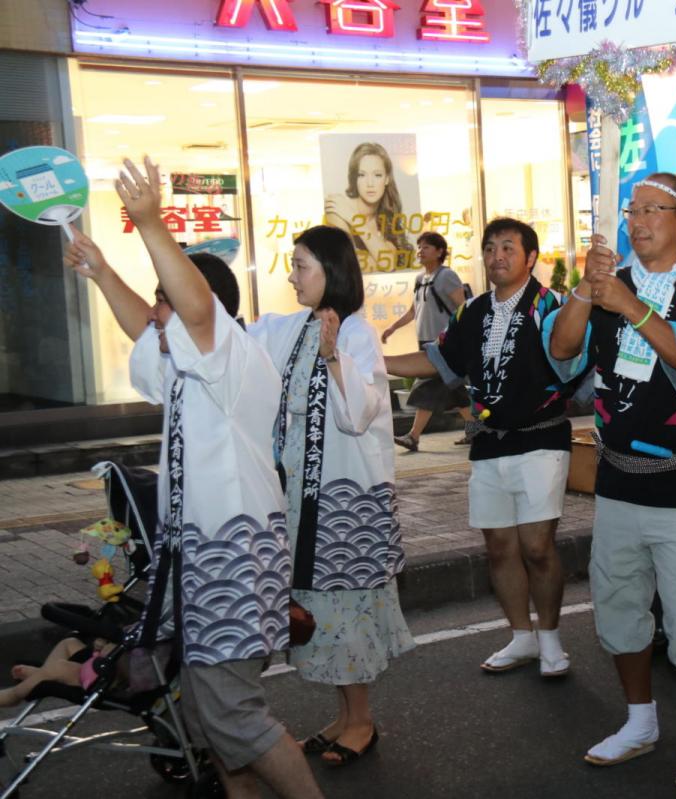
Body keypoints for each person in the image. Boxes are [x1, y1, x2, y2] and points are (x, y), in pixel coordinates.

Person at [64, 156, 323, 799]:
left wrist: (152, 223)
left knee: (233, 714)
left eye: (165, 302)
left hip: (233, 551)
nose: (156, 315)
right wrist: (102, 272)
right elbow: (145, 324)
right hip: (205, 554)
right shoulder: (186, 362)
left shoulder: (229, 353)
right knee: (210, 716)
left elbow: (192, 309)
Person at [547, 173, 676, 789]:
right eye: (633, 210)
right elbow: (562, 351)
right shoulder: (609, 283)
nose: (637, 221)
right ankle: (639, 721)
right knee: (619, 604)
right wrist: (586, 288)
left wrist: (630, 306)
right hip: (618, 479)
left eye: (653, 210)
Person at [247, 225, 413, 767]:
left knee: (344, 610)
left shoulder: (357, 334)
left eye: (301, 266)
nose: (292, 276)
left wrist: (334, 357)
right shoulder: (289, 327)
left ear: (331, 271)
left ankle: (360, 720)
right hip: (302, 501)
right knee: (321, 609)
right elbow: (235, 342)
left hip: (344, 506)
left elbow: (357, 415)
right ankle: (344, 717)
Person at [384, 218, 574, 678]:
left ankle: (550, 639)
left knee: (537, 547)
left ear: (531, 258)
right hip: (488, 441)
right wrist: (371, 361)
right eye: (490, 248)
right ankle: (521, 636)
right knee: (499, 547)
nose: (497, 256)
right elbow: (438, 360)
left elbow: (575, 361)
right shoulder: (472, 311)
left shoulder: (552, 307)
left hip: (542, 436)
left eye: (508, 247)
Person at [381, 231, 473, 450]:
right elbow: (413, 311)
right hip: (425, 342)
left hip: (443, 344)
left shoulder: (447, 276)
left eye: (426, 247)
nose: (420, 251)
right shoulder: (420, 279)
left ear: (440, 252)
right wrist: (393, 328)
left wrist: (459, 338)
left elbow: (464, 309)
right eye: (419, 247)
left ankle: (413, 436)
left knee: (427, 386)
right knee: (454, 387)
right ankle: (477, 428)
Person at [324, 141, 412, 272]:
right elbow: (348, 265)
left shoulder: (386, 218)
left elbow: (387, 263)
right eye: (362, 175)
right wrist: (375, 257)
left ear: (387, 179)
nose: (370, 183)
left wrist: (353, 218)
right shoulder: (337, 208)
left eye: (377, 175)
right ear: (355, 179)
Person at [0, 637, 118, 707]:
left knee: (59, 667)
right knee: (69, 643)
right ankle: (42, 674)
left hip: (107, 677)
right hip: (99, 662)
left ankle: (12, 696)